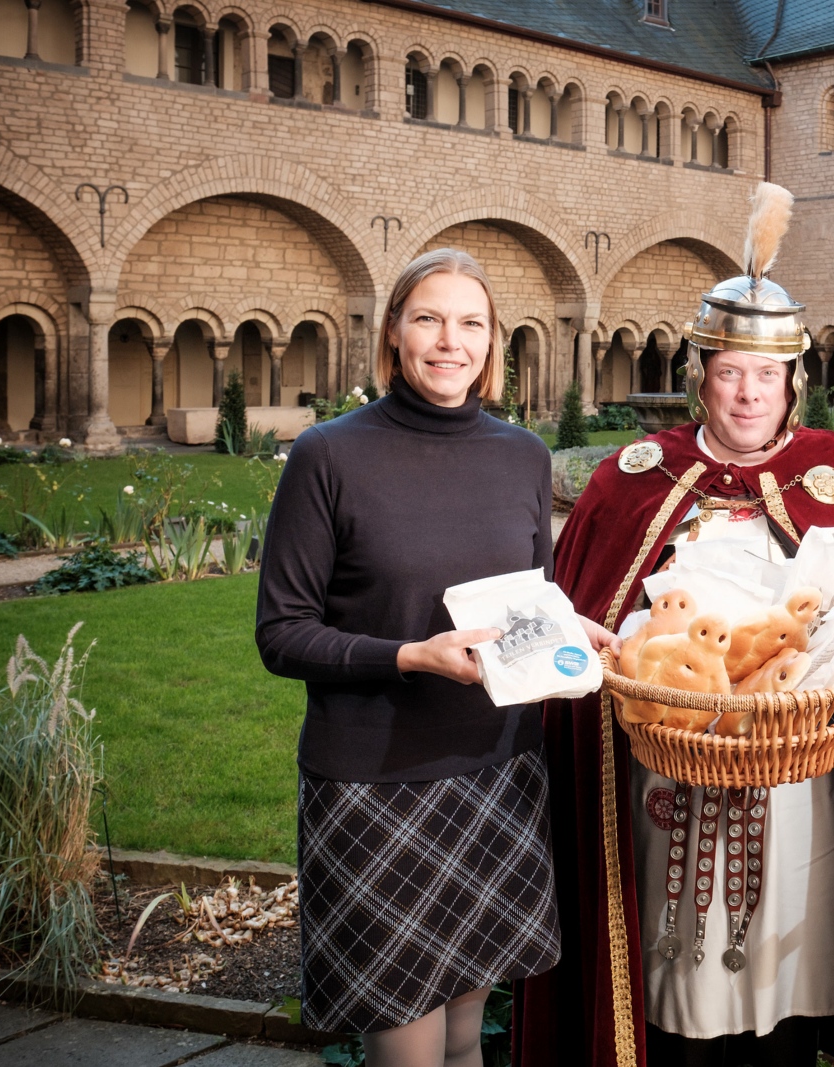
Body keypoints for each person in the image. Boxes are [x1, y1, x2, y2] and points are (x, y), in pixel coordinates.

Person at [515, 184, 834, 1067]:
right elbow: (585, 626)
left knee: (790, 987)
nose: (748, 392)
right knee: (670, 985)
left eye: (768, 374)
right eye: (730, 372)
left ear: (794, 379)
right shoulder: (632, 479)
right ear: (701, 377)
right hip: (661, 780)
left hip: (800, 784)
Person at [256, 248, 615, 1067]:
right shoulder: (330, 456)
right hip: (378, 786)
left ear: (493, 343)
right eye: (428, 318)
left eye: (470, 323)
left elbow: (529, 596)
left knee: (463, 1038)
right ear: (393, 332)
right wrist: (411, 655)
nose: (449, 341)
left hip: (499, 770)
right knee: (409, 1049)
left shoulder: (521, 454)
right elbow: (282, 632)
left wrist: (568, 629)